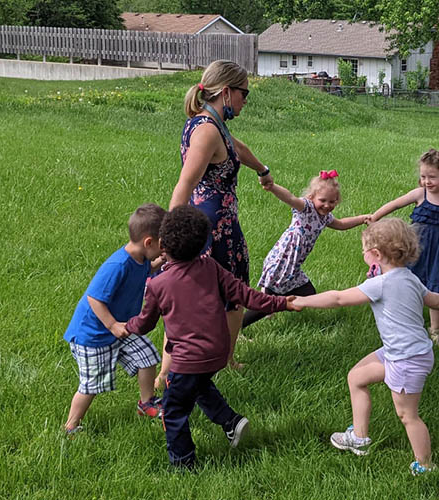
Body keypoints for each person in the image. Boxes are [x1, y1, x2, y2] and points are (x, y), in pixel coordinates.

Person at [126, 206, 298, 468]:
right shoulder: (211, 267)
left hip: (187, 360)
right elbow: (246, 295)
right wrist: (281, 302)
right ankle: (231, 422)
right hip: (218, 352)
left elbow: (145, 323)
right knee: (198, 385)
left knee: (174, 412)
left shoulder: (158, 284)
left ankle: (184, 464)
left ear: (163, 245)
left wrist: (125, 326)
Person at [292, 218, 439, 476]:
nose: (363, 254)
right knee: (356, 377)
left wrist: (303, 300)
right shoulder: (410, 278)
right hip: (400, 352)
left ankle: (426, 465)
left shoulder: (382, 284)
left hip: (407, 358)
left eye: (364, 251)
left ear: (376, 254)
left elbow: (339, 298)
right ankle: (360, 438)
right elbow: (436, 301)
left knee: (408, 415)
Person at [165, 59, 272, 374]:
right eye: (244, 94)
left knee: (193, 299)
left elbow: (238, 148)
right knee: (232, 297)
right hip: (216, 230)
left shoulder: (208, 123)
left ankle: (168, 372)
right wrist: (169, 239)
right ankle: (219, 362)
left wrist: (262, 170)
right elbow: (184, 184)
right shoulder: (208, 132)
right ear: (226, 92)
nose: (245, 101)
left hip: (213, 224)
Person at [63, 204, 167, 435]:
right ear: (149, 242)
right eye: (163, 245)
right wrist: (111, 324)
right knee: (91, 385)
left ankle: (146, 403)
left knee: (147, 357)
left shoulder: (140, 259)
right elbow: (94, 298)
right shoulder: (117, 265)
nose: (164, 249)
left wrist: (157, 264)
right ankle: (71, 426)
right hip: (94, 335)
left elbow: (144, 270)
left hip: (122, 328)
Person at [242, 170, 369, 328]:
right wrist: (272, 187)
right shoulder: (306, 208)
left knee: (307, 293)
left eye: (332, 201)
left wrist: (362, 218)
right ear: (311, 197)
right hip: (283, 260)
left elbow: (342, 224)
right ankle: (237, 326)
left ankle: (273, 300)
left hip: (294, 265)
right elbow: (289, 197)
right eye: (323, 200)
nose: (327, 205)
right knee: (267, 303)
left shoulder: (325, 217)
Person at [368, 149, 439, 345]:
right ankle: (403, 320)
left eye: (432, 177)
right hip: (415, 248)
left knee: (436, 287)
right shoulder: (420, 193)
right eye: (423, 176)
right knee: (406, 282)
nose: (426, 181)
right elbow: (395, 204)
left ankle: (435, 329)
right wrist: (375, 217)